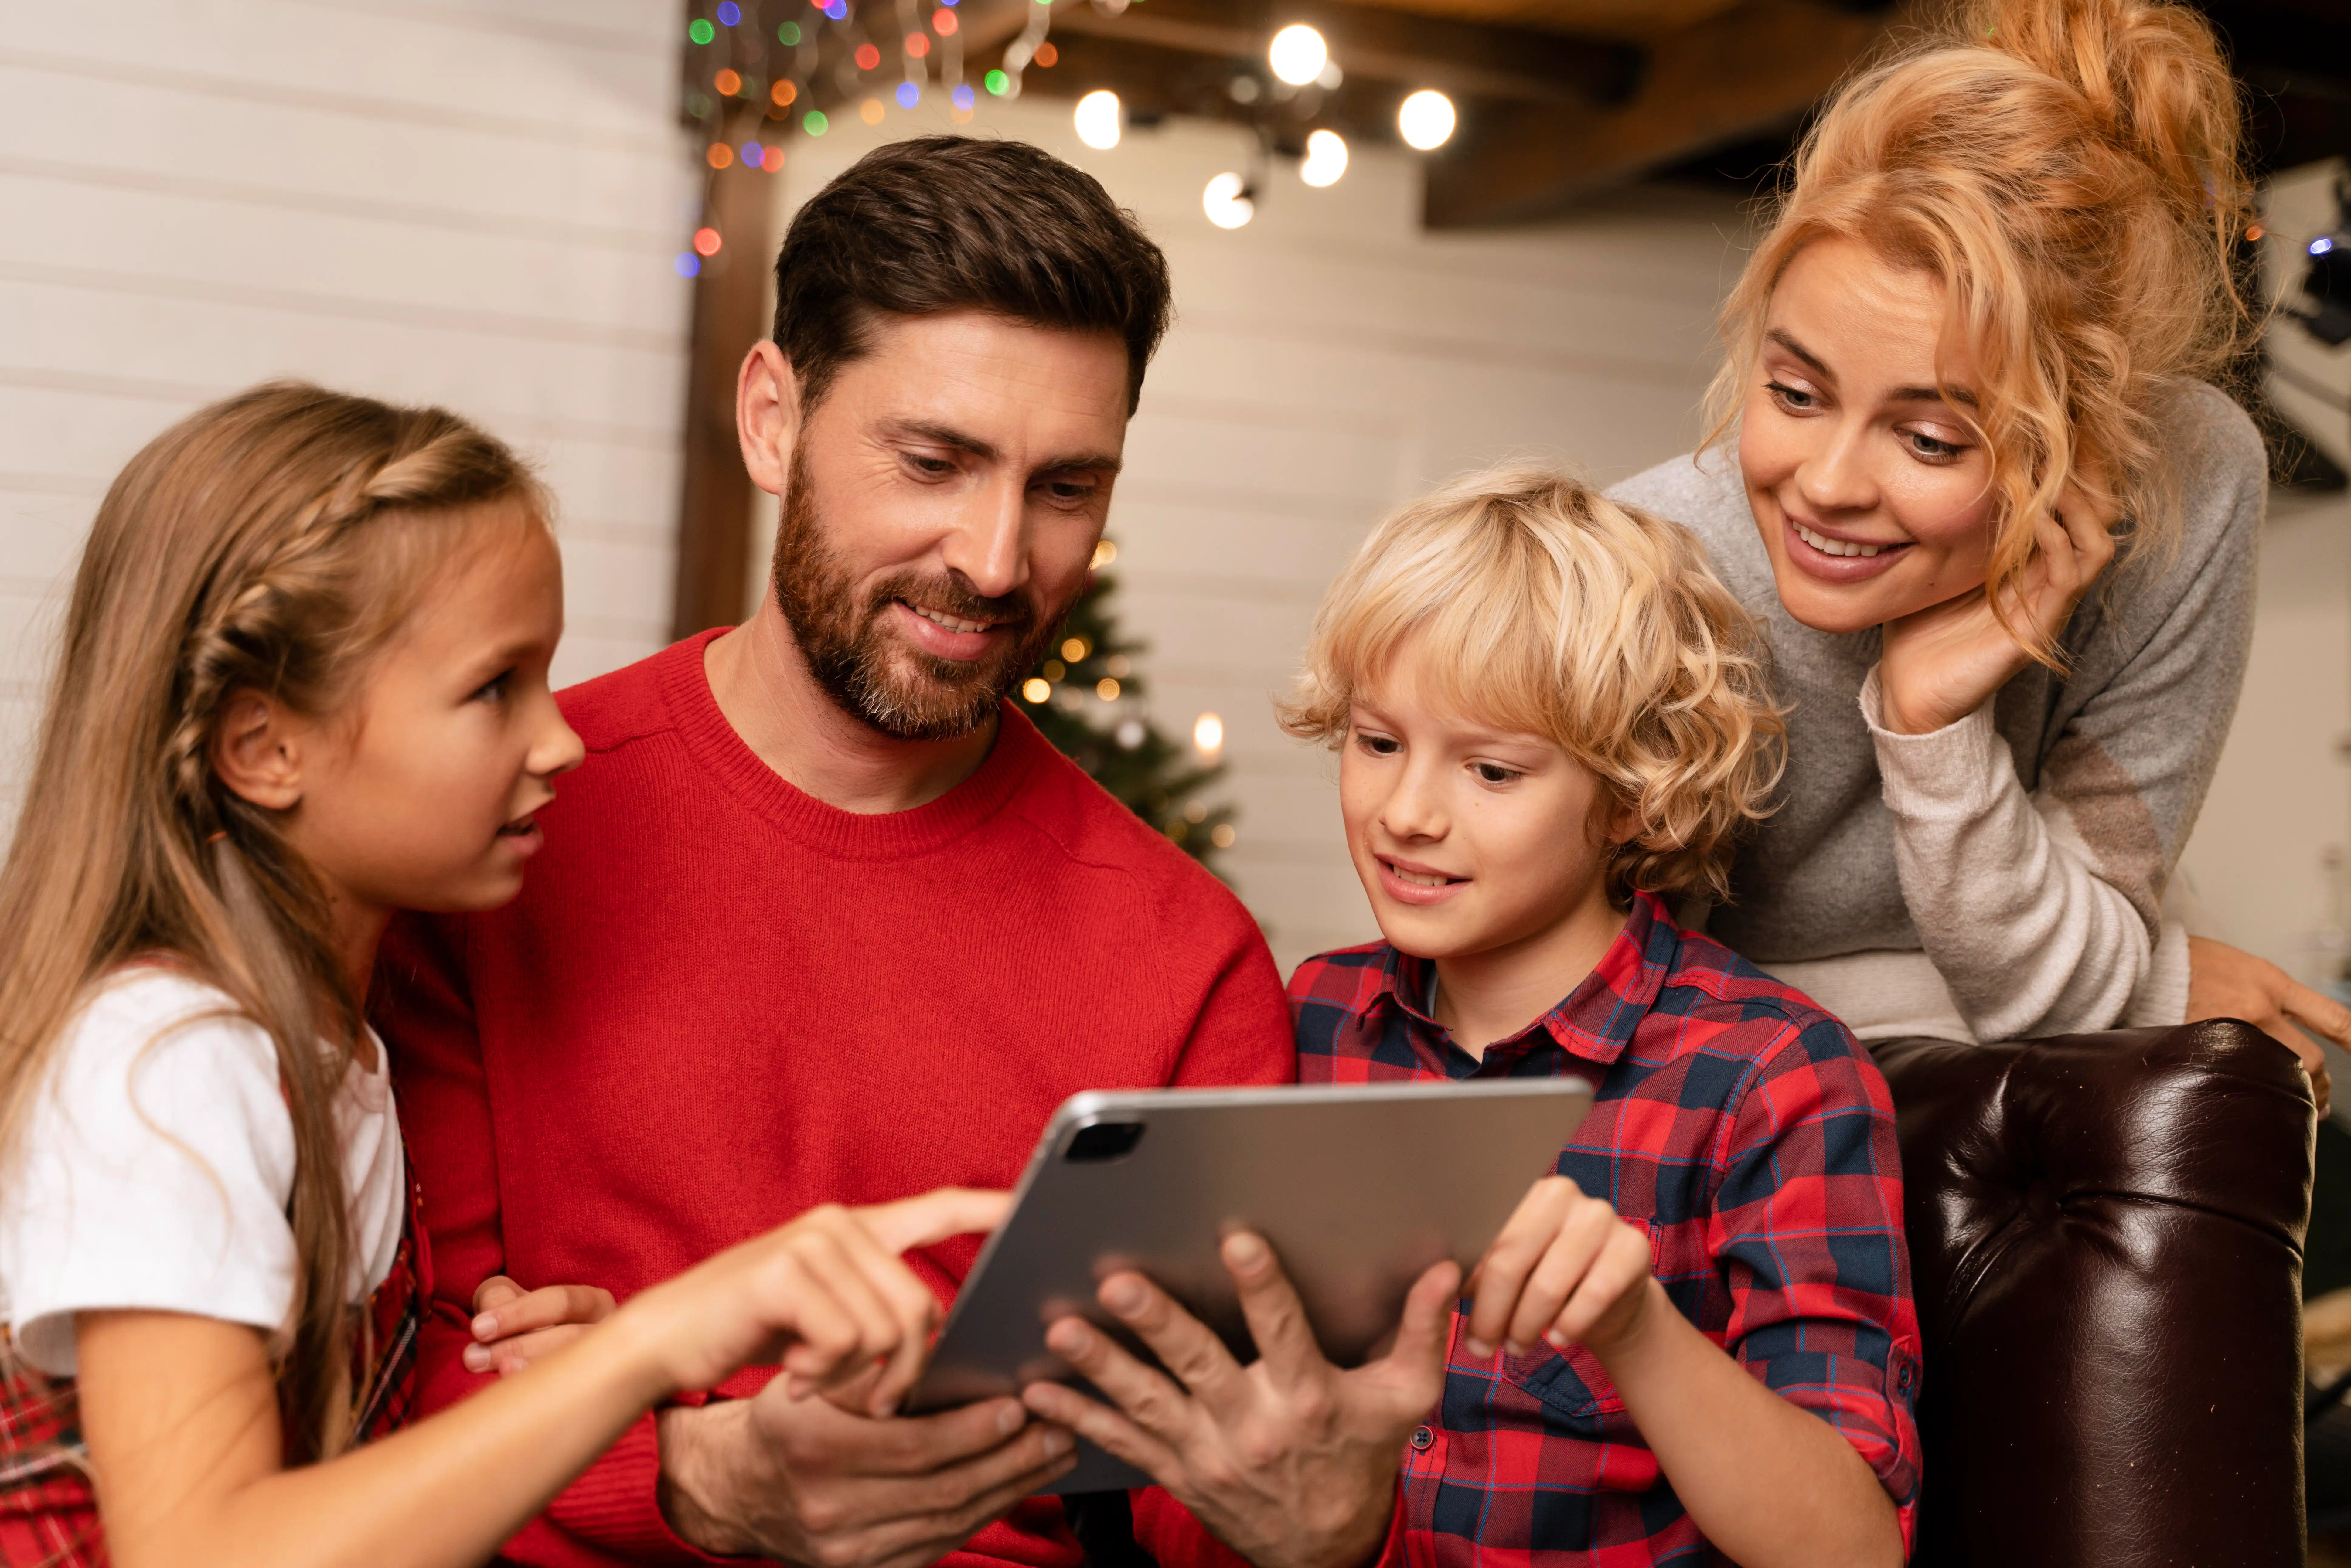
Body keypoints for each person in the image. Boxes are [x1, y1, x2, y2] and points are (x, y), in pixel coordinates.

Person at [372, 137, 1369, 1568]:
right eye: (934, 461)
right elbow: (406, 1402)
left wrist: (1322, 1527)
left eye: (1068, 487)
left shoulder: (1183, 954)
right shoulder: (497, 832)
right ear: (774, 418)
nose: (994, 557)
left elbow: (1189, 1492)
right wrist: (685, 1476)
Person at [0, 383, 1007, 1568]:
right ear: (265, 749)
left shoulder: (335, 1047)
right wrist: (663, 1341)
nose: (561, 739)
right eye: (494, 690)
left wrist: (570, 1383)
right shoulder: (169, 1059)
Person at [1024, 468, 1919, 1567]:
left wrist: (1633, 1328)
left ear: (1633, 793)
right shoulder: (1299, 1022)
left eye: (1491, 769)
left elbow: (1852, 1551)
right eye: (1377, 742)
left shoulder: (1769, 1076)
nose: (1405, 814)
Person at [1609, 0, 2344, 1109]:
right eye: (1793, 392)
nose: (1825, 484)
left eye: (1929, 438)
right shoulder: (1639, 574)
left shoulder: (2185, 484)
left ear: (2088, 443)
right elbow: (1589, 1018)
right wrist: (2158, 982)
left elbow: (2063, 994)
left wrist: (1930, 727)